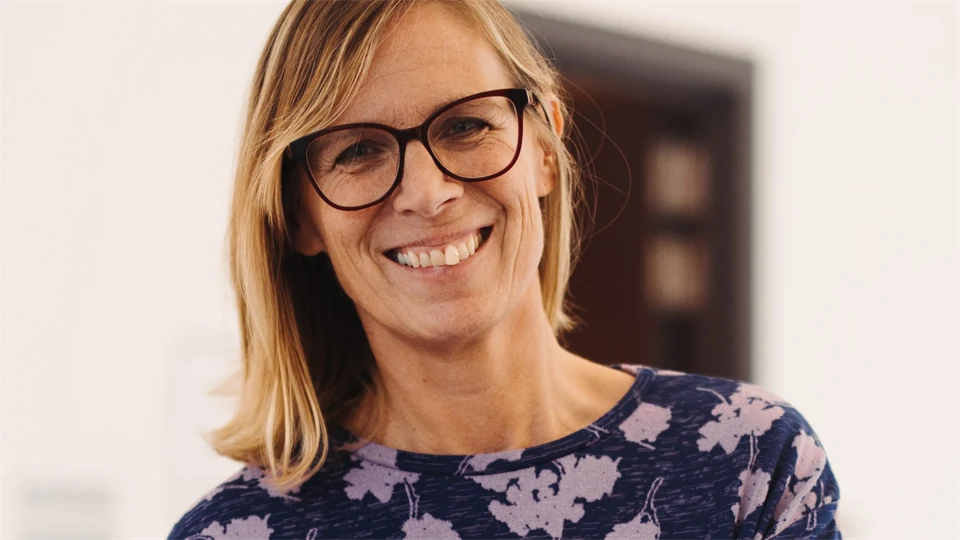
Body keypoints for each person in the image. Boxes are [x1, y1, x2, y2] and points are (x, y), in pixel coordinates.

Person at [168, 1, 841, 538]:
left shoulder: (747, 460)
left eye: (464, 126)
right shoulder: (236, 533)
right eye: (358, 151)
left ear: (544, 147)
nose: (427, 193)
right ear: (302, 215)